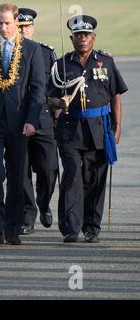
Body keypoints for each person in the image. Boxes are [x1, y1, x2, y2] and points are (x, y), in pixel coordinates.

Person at [0, 3, 45, 246]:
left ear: (16, 23)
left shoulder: (32, 50)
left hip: (19, 122)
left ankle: (12, 228)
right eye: (0, 23)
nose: (3, 27)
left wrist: (32, 120)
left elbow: (37, 90)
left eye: (8, 23)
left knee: (16, 176)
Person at [48, 15, 128, 243]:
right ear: (71, 38)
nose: (82, 39)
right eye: (77, 35)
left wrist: (118, 127)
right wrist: (59, 103)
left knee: (94, 178)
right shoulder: (61, 65)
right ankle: (71, 228)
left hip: (99, 129)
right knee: (72, 176)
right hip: (70, 129)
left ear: (93, 37)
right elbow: (49, 98)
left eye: (86, 35)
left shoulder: (106, 62)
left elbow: (116, 97)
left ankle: (92, 226)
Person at [17, 8, 59, 235]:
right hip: (17, 119)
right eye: (20, 27)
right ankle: (27, 216)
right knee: (21, 170)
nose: (24, 31)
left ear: (33, 27)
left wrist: (58, 114)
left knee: (49, 169)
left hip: (43, 118)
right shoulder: (6, 52)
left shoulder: (46, 53)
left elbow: (56, 88)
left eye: (27, 26)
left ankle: (44, 203)